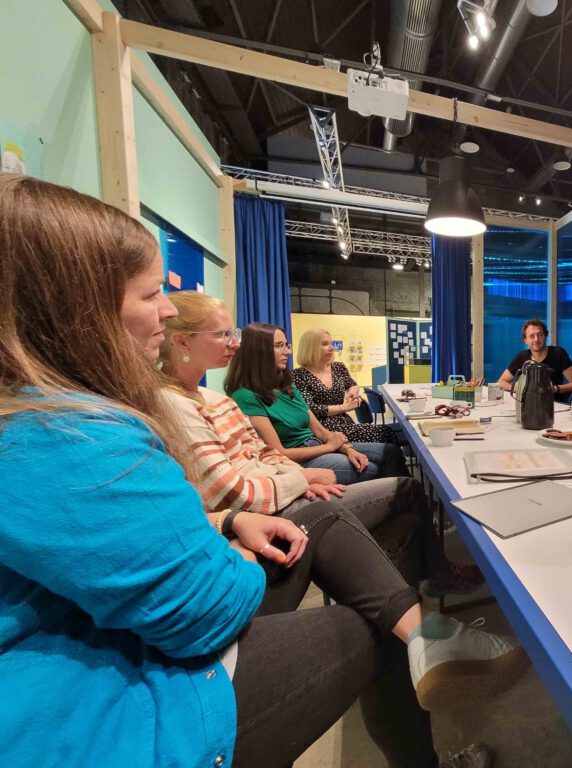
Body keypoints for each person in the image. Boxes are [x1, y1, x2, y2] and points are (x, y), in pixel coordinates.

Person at [0, 174, 526, 768]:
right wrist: (238, 546)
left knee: (343, 520)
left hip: (123, 653)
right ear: (76, 309)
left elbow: (238, 481)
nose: (167, 308)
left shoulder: (54, 423)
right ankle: (423, 637)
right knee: (370, 619)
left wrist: (226, 527)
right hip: (125, 714)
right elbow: (206, 610)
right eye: (149, 296)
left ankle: (426, 633)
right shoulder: (66, 437)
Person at [158, 291, 484, 597]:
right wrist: (303, 476)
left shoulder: (226, 398)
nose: (233, 343)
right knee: (398, 481)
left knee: (397, 490)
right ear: (182, 341)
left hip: (292, 475)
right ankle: (428, 576)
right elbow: (235, 486)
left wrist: (333, 452)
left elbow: (265, 454)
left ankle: (413, 585)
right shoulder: (213, 401)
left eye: (234, 334)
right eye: (222, 334)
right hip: (275, 501)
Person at [226, 323, 409, 484]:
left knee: (390, 452)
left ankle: (406, 508)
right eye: (279, 346)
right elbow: (278, 452)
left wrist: (346, 448)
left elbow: (320, 431)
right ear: (259, 352)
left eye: (286, 345)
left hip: (318, 445)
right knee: (373, 469)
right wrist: (330, 446)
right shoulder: (246, 396)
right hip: (299, 459)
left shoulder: (286, 385)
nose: (287, 351)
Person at [292, 328, 398, 443]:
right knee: (384, 433)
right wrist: (344, 407)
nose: (331, 348)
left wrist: (353, 392)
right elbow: (311, 410)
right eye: (324, 344)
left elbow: (352, 384)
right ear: (310, 348)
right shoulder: (298, 375)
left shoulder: (338, 367)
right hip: (321, 428)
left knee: (386, 433)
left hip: (344, 421)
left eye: (331, 344)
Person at [498, 318, 572, 404]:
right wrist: (516, 388)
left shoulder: (558, 354)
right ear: (525, 340)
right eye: (532, 336)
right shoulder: (522, 356)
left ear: (545, 336)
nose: (536, 339)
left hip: (554, 406)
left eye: (540, 334)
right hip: (527, 404)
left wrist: (554, 388)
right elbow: (500, 382)